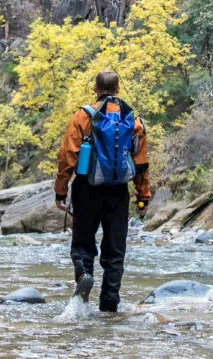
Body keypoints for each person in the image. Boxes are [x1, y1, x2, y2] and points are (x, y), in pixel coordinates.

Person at [54, 70, 151, 312]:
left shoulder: (83, 116)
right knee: (115, 250)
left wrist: (61, 191)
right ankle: (109, 306)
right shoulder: (133, 120)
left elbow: (67, 156)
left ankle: (84, 274)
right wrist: (143, 198)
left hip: (87, 188)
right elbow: (140, 163)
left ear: (96, 89)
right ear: (118, 89)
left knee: (82, 244)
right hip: (118, 192)